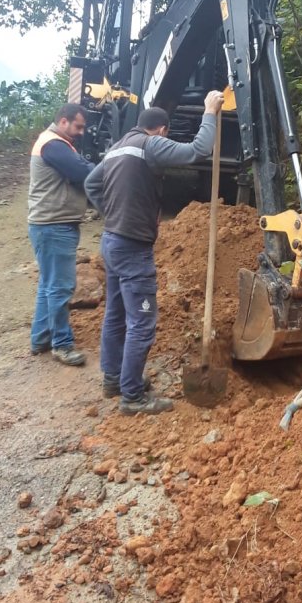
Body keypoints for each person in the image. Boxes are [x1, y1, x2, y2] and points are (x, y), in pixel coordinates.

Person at [84, 90, 225, 415]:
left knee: (116, 314)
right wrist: (209, 112)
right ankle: (132, 397)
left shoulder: (116, 148)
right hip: (133, 251)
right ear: (161, 129)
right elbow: (198, 150)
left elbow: (92, 184)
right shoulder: (151, 145)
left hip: (111, 243)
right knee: (143, 320)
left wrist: (114, 213)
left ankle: (114, 379)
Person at [28, 103, 94, 365]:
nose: (81, 132)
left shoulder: (55, 142)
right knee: (60, 287)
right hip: (54, 225)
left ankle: (40, 339)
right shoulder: (53, 145)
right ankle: (62, 345)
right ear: (63, 121)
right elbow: (83, 171)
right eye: (78, 126)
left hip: (49, 224)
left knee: (49, 285)